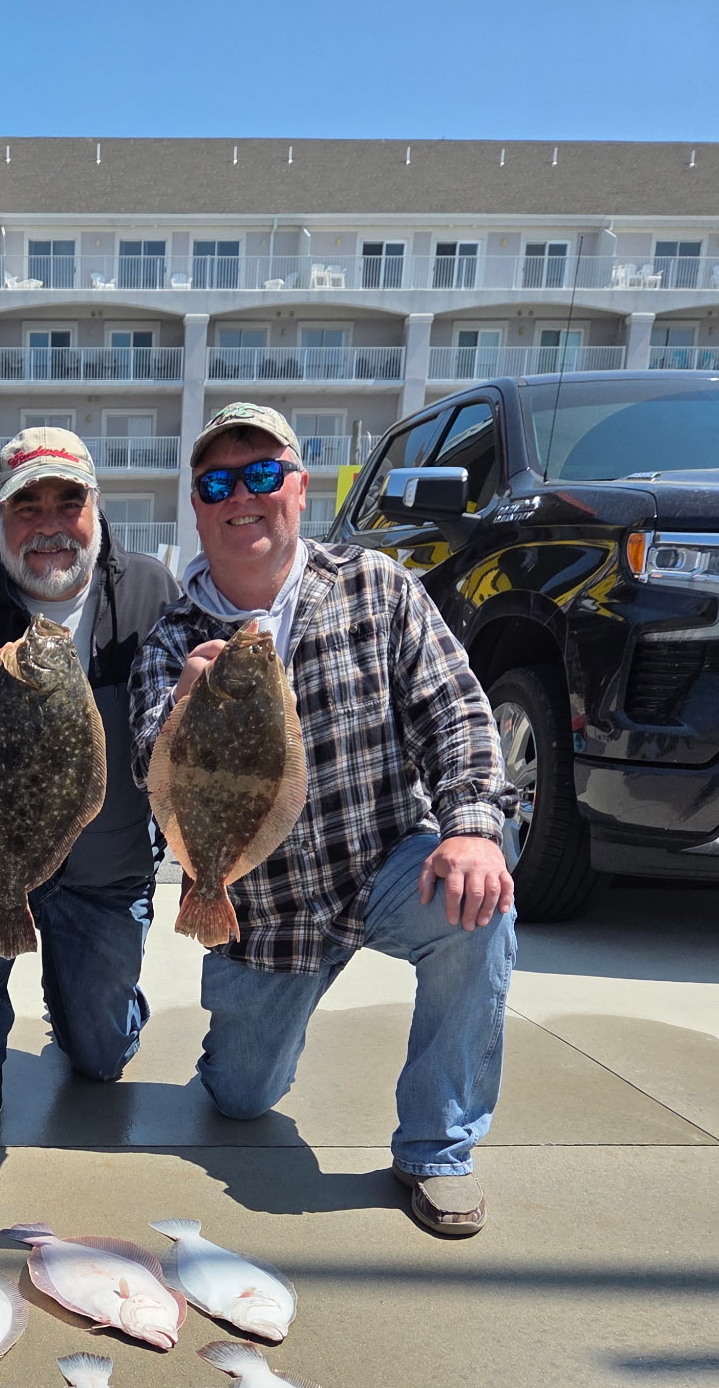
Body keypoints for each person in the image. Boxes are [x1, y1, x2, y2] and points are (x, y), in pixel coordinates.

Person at [129, 403, 516, 1236]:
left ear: (300, 488)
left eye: (264, 474)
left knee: (479, 907)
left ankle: (437, 1149)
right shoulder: (173, 638)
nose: (244, 496)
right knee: (240, 1099)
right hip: (259, 912)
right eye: (219, 482)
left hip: (380, 862)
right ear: (197, 506)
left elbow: (457, 712)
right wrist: (182, 709)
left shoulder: (379, 589)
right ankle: (240, 1047)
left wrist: (472, 828)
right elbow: (143, 772)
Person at [0, 428, 178, 1125]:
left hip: (106, 874)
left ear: (96, 508)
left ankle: (94, 998)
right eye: (28, 506)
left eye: (67, 501)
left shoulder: (152, 592)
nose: (49, 525)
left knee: (102, 1060)